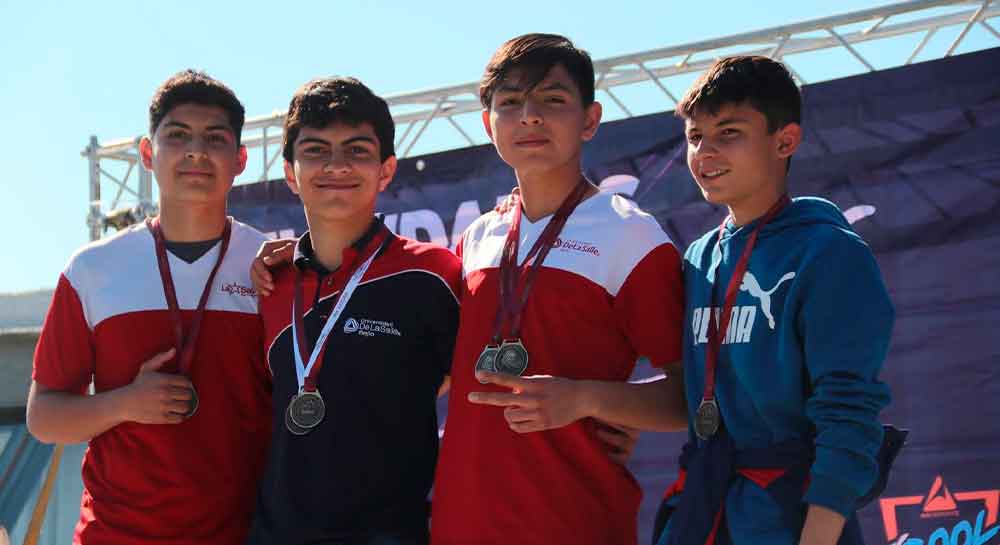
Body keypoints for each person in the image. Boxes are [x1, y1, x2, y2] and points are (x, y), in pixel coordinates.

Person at [430, 34, 688, 545]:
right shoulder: (477, 237)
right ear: (488, 124)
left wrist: (588, 399)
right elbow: (434, 373)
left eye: (552, 99)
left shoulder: (631, 235)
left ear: (589, 120)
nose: (529, 116)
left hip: (575, 524)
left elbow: (691, 397)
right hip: (461, 527)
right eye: (510, 102)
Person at [654, 55, 898, 545]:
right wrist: (589, 403)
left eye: (729, 133)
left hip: (790, 518)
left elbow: (848, 408)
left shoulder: (829, 251)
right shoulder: (699, 257)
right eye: (695, 136)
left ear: (784, 141)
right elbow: (695, 390)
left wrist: (819, 534)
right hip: (704, 508)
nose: (705, 151)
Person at [26, 70, 271, 545]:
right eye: (177, 135)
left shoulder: (273, 266)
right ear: (146, 153)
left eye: (215, 138)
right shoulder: (92, 270)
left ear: (240, 159)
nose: (196, 151)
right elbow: (43, 417)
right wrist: (124, 404)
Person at [244, 77, 461, 545]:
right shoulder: (267, 283)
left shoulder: (434, 274)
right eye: (316, 150)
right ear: (290, 172)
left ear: (386, 170)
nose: (337, 165)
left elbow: (473, 391)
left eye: (357, 150)